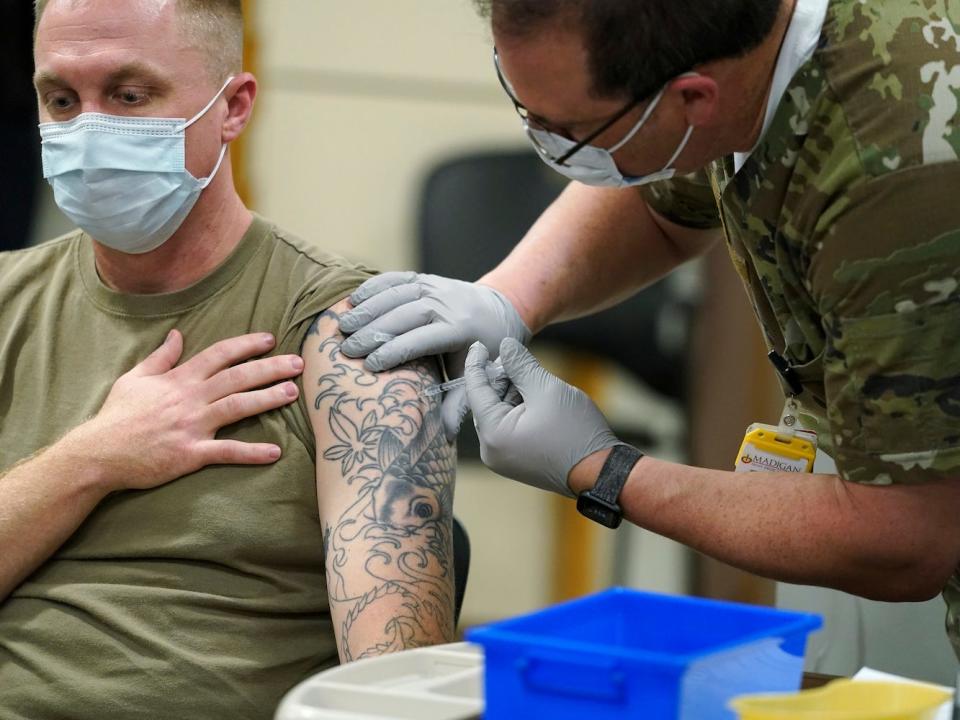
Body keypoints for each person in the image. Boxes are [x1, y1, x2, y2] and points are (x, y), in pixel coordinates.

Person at [337, 0, 960, 657]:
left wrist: (607, 472)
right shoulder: (731, 44)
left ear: (695, 99)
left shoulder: (899, 167)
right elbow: (661, 196)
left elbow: (905, 539)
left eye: (567, 130)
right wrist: (506, 300)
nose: (542, 144)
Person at [0, 1, 455, 717]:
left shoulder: (349, 327)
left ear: (234, 106)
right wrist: (93, 458)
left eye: (128, 95)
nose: (87, 130)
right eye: (61, 99)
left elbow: (395, 687)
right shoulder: (8, 299)